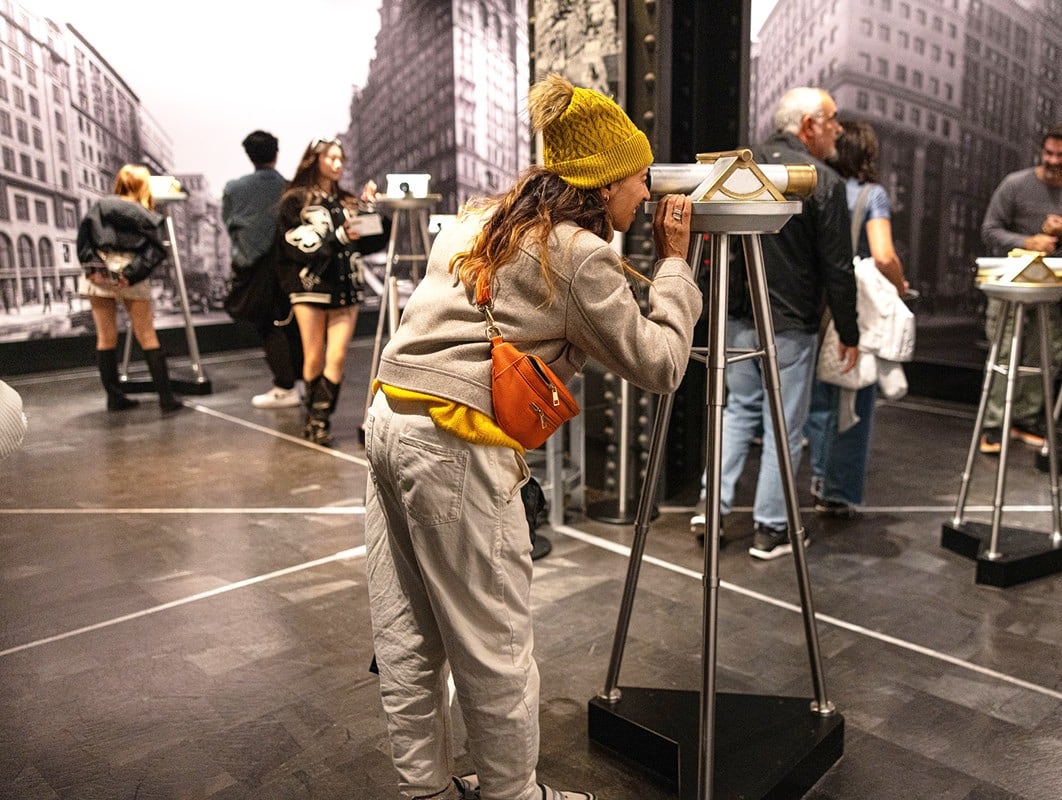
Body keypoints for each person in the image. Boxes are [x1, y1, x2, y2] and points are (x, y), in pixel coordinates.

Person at [363, 73, 700, 800]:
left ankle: (425, 791)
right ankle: (514, 795)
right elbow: (662, 363)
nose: (646, 193)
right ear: (604, 181)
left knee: (406, 630)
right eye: (639, 177)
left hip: (390, 419)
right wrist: (676, 265)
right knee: (494, 643)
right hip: (453, 444)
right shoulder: (578, 253)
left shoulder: (477, 220)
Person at [691, 86, 858, 560]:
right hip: (790, 324)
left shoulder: (737, 169)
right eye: (832, 119)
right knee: (783, 425)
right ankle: (771, 529)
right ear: (808, 126)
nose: (838, 129)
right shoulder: (821, 181)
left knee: (737, 413)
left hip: (736, 317)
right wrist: (850, 332)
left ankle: (710, 510)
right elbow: (838, 268)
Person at [978, 124, 1062, 454]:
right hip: (1010, 284)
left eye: (1061, 154)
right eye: (1048, 153)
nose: (1053, 160)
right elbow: (989, 230)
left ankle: (1025, 420)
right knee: (1003, 353)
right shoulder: (1014, 184)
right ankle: (994, 424)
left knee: (1046, 354)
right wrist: (1027, 241)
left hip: (1057, 289)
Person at [804, 119, 907, 517]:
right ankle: (836, 489)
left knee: (817, 398)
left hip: (811, 303)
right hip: (851, 305)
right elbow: (883, 255)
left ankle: (817, 474)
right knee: (852, 395)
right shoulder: (870, 194)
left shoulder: (814, 185)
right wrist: (900, 286)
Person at [277, 137, 388, 445]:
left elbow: (369, 242)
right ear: (315, 160)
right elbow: (295, 247)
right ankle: (313, 419)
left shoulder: (346, 202)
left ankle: (319, 419)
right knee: (313, 356)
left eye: (341, 159)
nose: (338, 164)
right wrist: (339, 236)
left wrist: (368, 209)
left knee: (336, 357)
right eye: (331, 158)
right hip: (310, 286)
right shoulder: (295, 201)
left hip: (345, 286)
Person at [76, 164, 184, 413]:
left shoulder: (100, 207)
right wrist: (132, 273)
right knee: (147, 335)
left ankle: (114, 398)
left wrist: (95, 269)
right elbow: (157, 249)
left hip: (100, 274)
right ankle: (166, 398)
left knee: (105, 337)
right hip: (132, 274)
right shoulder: (147, 214)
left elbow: (84, 240)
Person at [221, 130, 304, 409]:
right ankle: (300, 382)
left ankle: (284, 387)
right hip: (288, 267)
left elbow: (230, 226)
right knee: (293, 323)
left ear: (249, 155)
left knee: (268, 325)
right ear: (276, 153)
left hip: (255, 270)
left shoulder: (234, 189)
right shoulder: (291, 188)